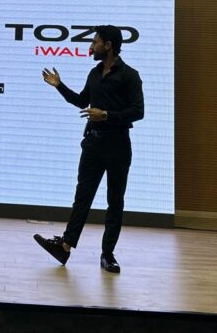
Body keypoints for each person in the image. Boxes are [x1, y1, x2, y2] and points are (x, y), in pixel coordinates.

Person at [33, 25, 144, 273]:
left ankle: (108, 255)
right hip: (92, 143)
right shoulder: (94, 73)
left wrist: (106, 115)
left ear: (108, 45)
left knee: (115, 201)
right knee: (82, 197)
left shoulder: (130, 75)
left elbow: (138, 111)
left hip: (117, 145)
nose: (91, 47)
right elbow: (82, 101)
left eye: (95, 42)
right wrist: (59, 85)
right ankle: (65, 246)